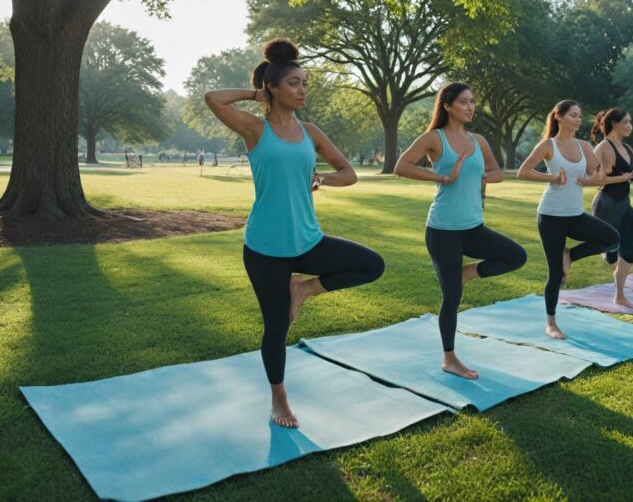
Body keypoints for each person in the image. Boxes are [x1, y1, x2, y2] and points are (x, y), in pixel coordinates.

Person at [205, 38, 384, 428]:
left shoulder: (311, 132)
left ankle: (303, 288)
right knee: (276, 327)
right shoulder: (254, 128)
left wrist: (321, 177)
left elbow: (348, 173)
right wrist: (257, 93)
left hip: (308, 241)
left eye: (305, 84)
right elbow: (213, 98)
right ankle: (279, 399)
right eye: (294, 83)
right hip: (265, 247)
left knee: (372, 265)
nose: (303, 90)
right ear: (274, 87)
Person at [395, 82, 527, 379]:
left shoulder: (478, 140)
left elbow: (496, 172)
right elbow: (401, 166)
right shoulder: (434, 138)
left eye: (472, 101)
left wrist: (479, 174)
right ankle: (450, 358)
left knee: (516, 256)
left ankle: (469, 272)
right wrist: (440, 176)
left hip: (474, 228)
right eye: (464, 102)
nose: (470, 107)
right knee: (452, 297)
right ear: (447, 106)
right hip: (443, 231)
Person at [517, 100, 619, 339]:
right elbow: (523, 171)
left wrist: (596, 177)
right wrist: (552, 178)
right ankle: (551, 323)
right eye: (573, 115)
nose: (578, 119)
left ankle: (570, 255)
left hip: (575, 215)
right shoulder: (548, 145)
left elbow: (597, 174)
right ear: (559, 117)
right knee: (556, 275)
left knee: (611, 239)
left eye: (580, 116)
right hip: (551, 215)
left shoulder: (584, 146)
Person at [589, 108, 633, 307]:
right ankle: (609, 255)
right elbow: (594, 179)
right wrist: (622, 177)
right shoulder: (602, 147)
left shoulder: (627, 149)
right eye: (625, 122)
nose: (630, 126)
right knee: (614, 250)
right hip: (607, 204)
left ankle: (619, 292)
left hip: (624, 204)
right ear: (614, 123)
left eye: (630, 122)